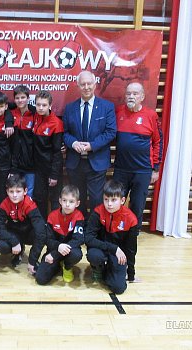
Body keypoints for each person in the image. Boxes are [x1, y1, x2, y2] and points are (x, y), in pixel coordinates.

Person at [63, 70, 116, 218]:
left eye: (89, 83)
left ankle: (93, 230)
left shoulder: (107, 107)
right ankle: (80, 228)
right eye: (83, 84)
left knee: (96, 199)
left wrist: (92, 145)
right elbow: (65, 133)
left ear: (95, 84)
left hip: (97, 162)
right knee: (77, 198)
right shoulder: (69, 108)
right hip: (75, 162)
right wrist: (73, 143)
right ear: (78, 86)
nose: (86, 87)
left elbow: (111, 132)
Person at [113, 82, 162, 234]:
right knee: (115, 202)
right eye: (128, 93)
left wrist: (156, 168)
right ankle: (115, 231)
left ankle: (133, 233)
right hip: (121, 168)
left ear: (142, 97)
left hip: (143, 170)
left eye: (135, 93)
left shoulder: (151, 115)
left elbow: (158, 142)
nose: (131, 96)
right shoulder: (118, 112)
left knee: (137, 204)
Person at [85, 180, 138, 294]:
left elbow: (131, 248)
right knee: (94, 255)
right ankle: (99, 269)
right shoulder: (98, 212)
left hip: (118, 254)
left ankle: (109, 270)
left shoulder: (131, 219)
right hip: (102, 249)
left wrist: (131, 273)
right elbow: (88, 238)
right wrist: (113, 248)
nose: (109, 204)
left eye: (114, 200)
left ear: (122, 200)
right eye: (106, 199)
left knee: (118, 288)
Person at [0, 174, 46, 275]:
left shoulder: (30, 205)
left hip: (28, 233)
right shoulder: (4, 205)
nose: (14, 195)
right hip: (14, 233)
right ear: (7, 192)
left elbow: (41, 231)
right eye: (11, 191)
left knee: (42, 234)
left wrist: (32, 260)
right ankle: (18, 252)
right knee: (2, 246)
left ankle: (35, 259)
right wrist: (14, 242)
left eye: (18, 191)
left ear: (25, 191)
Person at [35, 185, 84, 285]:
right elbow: (47, 240)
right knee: (41, 279)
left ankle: (67, 267)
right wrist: (58, 247)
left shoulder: (79, 217)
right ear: (60, 201)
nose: (67, 204)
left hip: (70, 251)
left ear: (77, 203)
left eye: (71, 201)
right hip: (53, 249)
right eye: (64, 200)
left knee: (77, 254)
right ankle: (57, 265)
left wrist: (55, 255)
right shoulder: (52, 216)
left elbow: (78, 239)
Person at [32, 90, 64, 219]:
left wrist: (54, 175)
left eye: (44, 105)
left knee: (55, 200)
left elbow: (57, 152)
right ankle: (42, 227)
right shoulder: (35, 116)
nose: (40, 108)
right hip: (38, 169)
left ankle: (55, 228)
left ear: (50, 105)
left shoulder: (56, 123)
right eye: (38, 104)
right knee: (39, 198)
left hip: (51, 169)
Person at [9, 85, 36, 197]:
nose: (20, 100)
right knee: (14, 193)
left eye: (23, 97)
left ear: (28, 98)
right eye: (17, 98)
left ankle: (28, 215)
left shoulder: (35, 113)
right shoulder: (10, 112)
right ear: (14, 99)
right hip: (14, 163)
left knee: (29, 193)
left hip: (30, 163)